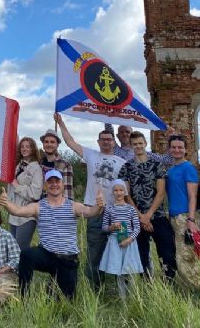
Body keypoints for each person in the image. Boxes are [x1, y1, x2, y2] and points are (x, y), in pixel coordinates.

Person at [0, 169, 104, 300]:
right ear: (45, 186)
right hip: (47, 255)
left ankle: (52, 287)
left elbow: (90, 212)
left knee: (65, 301)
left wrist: (99, 206)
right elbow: (18, 211)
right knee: (26, 255)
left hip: (67, 259)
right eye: (50, 182)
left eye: (57, 181)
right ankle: (24, 297)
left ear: (62, 184)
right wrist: (6, 203)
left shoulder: (73, 206)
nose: (54, 184)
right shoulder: (38, 207)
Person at [55, 112, 125, 291]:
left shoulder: (121, 162)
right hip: (94, 210)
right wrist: (61, 123)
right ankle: (94, 288)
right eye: (103, 139)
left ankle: (118, 287)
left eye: (109, 139)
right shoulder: (91, 155)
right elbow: (71, 143)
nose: (106, 142)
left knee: (119, 249)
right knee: (94, 251)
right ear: (98, 142)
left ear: (113, 142)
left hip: (115, 211)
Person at [119, 131, 176, 282]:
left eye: (140, 143)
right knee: (141, 256)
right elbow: (126, 195)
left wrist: (148, 215)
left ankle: (168, 285)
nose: (138, 146)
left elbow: (161, 192)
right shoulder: (126, 167)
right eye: (135, 144)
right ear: (131, 146)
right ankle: (147, 286)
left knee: (167, 254)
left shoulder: (157, 165)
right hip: (136, 218)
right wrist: (141, 217)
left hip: (156, 216)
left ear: (145, 143)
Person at [165, 134, 200, 290]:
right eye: (173, 147)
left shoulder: (188, 168)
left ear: (186, 149)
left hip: (186, 217)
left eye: (180, 147)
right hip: (173, 217)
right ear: (169, 149)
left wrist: (191, 220)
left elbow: (192, 196)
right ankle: (187, 290)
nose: (177, 150)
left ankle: (195, 290)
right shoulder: (171, 169)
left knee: (186, 257)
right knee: (178, 256)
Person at [99, 180, 143, 300]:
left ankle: (134, 298)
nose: (118, 193)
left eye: (121, 190)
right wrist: (112, 227)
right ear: (112, 192)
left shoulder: (131, 209)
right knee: (119, 271)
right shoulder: (109, 209)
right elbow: (104, 227)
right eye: (116, 190)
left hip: (129, 242)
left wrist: (129, 239)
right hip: (115, 242)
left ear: (125, 192)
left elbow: (137, 227)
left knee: (130, 270)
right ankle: (122, 298)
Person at [7, 136, 43, 250]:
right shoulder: (17, 166)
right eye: (22, 146)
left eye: (28, 146)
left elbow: (35, 194)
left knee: (21, 249)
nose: (24, 149)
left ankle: (25, 268)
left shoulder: (36, 168)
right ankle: (15, 268)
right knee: (13, 249)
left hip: (26, 216)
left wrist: (17, 186)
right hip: (13, 213)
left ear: (33, 149)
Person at [39, 128, 74, 200]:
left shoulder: (65, 165)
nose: (49, 144)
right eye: (46, 142)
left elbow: (68, 192)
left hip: (56, 206)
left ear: (57, 145)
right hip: (37, 206)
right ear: (43, 144)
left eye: (52, 142)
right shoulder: (38, 163)